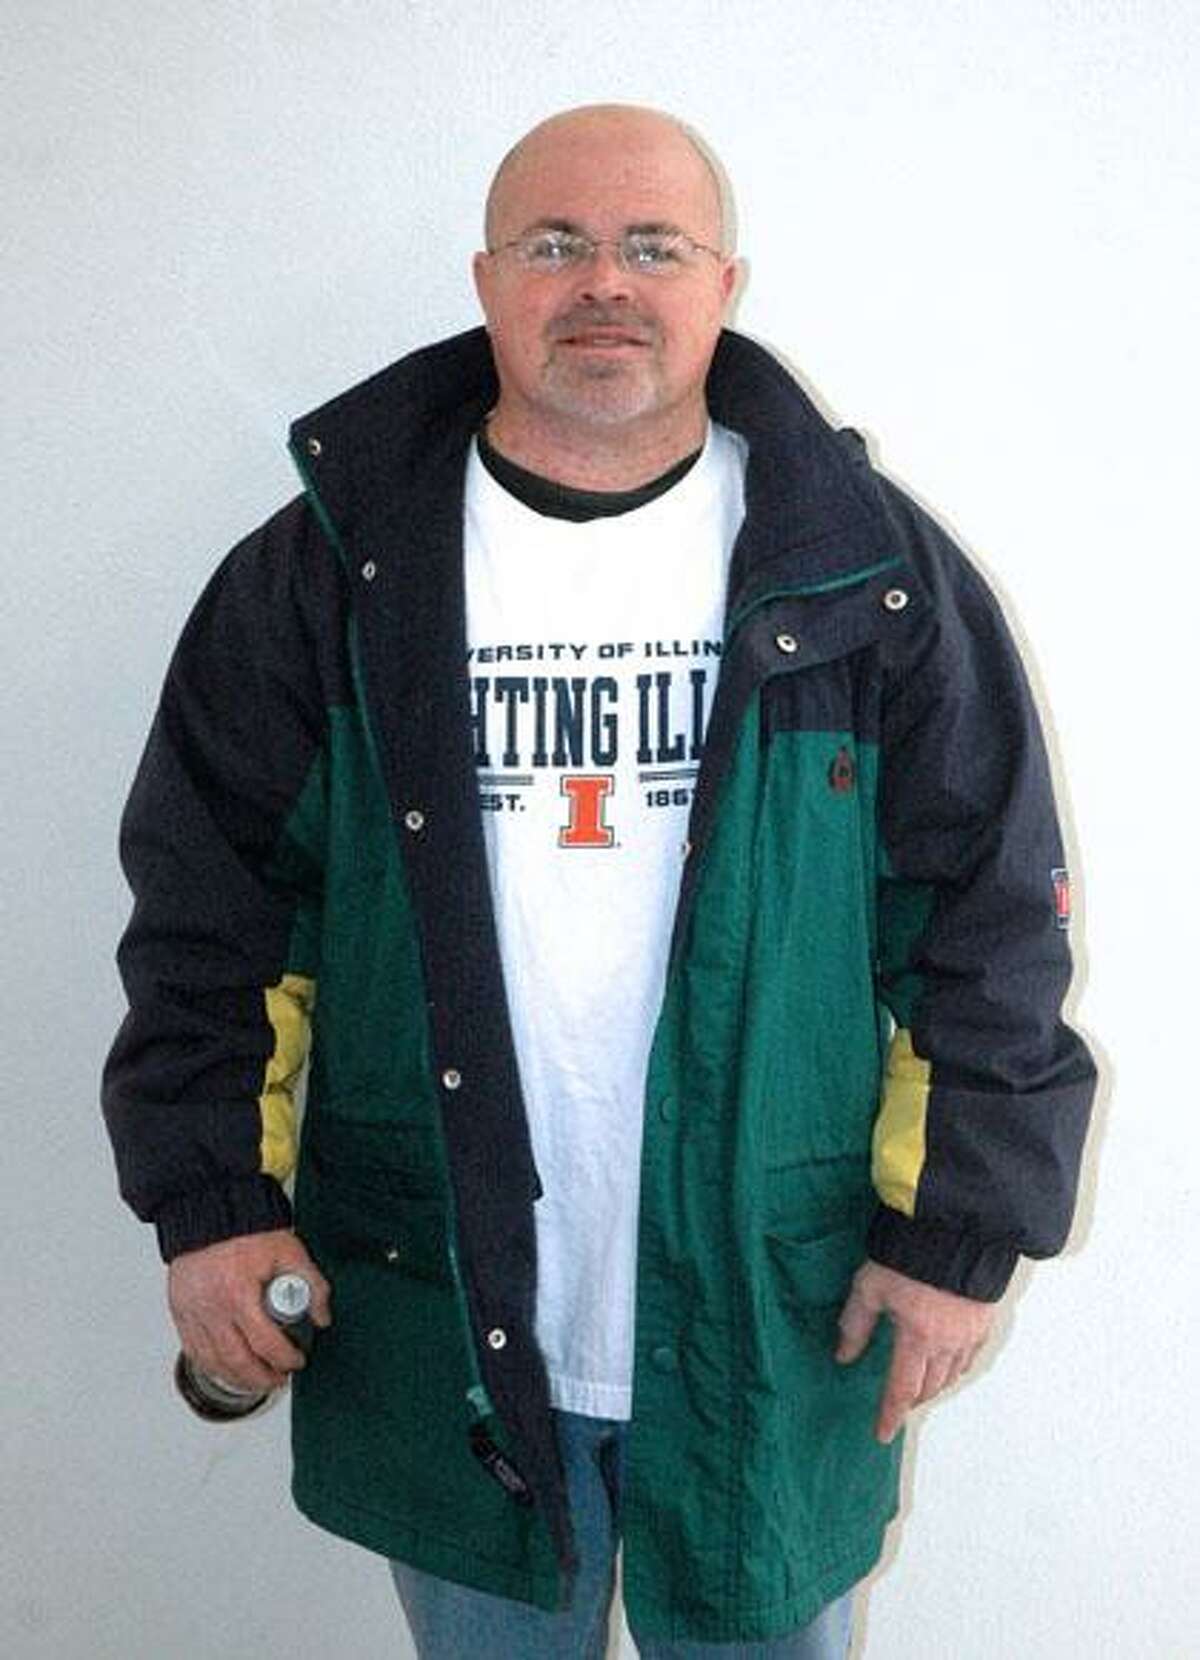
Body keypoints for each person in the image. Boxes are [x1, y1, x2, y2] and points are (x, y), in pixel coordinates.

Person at [103, 104, 1096, 1657]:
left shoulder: (861, 573)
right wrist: (213, 1205)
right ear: (488, 278)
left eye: (653, 247)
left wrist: (958, 1237)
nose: (603, 285)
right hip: (442, 1315)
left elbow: (985, 923)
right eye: (555, 245)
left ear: (726, 282)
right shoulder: (328, 576)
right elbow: (210, 919)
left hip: (773, 1325)